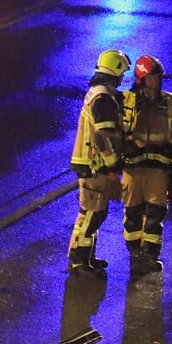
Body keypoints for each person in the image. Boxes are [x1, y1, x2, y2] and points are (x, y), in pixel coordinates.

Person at [69, 49, 130, 273]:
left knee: (95, 211)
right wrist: (113, 165)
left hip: (90, 163)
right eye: (122, 72)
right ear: (114, 70)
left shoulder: (100, 93)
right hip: (94, 164)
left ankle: (86, 257)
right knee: (92, 212)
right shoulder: (103, 98)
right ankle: (79, 259)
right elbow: (102, 137)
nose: (123, 77)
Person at [121, 54, 172, 269]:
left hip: (159, 167)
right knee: (133, 214)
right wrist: (124, 147)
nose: (156, 80)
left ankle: (150, 255)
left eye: (158, 76)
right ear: (141, 78)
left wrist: (171, 147)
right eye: (152, 77)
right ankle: (134, 252)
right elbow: (115, 130)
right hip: (133, 167)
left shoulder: (169, 101)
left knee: (156, 214)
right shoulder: (126, 100)